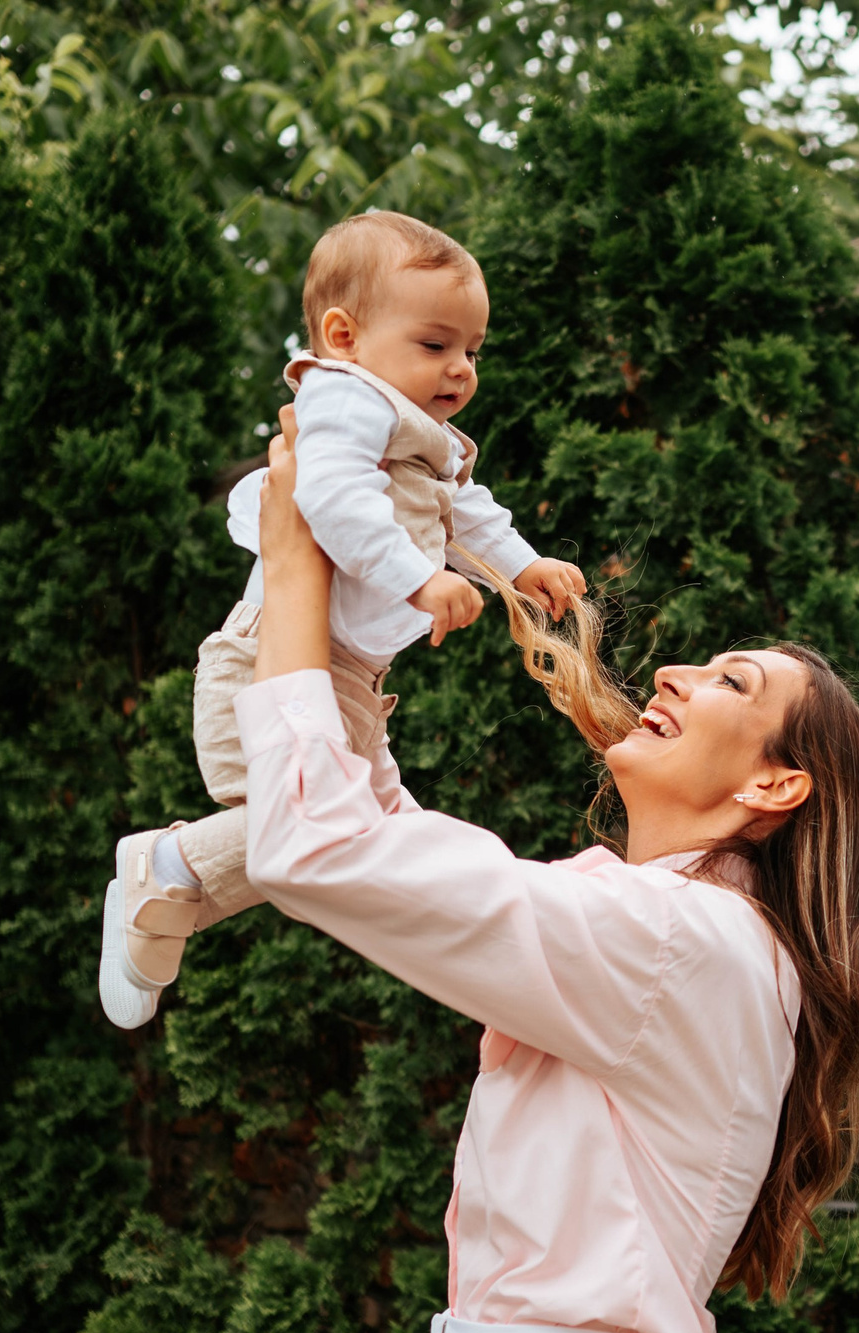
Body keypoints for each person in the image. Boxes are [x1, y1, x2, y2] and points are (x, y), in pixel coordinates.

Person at [234, 405, 859, 1333]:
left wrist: (300, 569)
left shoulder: (686, 944)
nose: (674, 676)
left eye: (730, 685)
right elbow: (383, 841)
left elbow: (320, 849)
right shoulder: (670, 940)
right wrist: (349, 627)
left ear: (775, 789)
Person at [98, 209, 588, 1028]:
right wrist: (418, 580)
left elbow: (469, 511)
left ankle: (176, 885)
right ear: (344, 335)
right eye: (436, 345)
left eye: (473, 350)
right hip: (276, 663)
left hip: (348, 678)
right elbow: (330, 501)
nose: (461, 369)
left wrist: (523, 566)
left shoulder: (422, 432)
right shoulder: (345, 400)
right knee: (323, 832)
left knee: (375, 847)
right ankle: (166, 865)